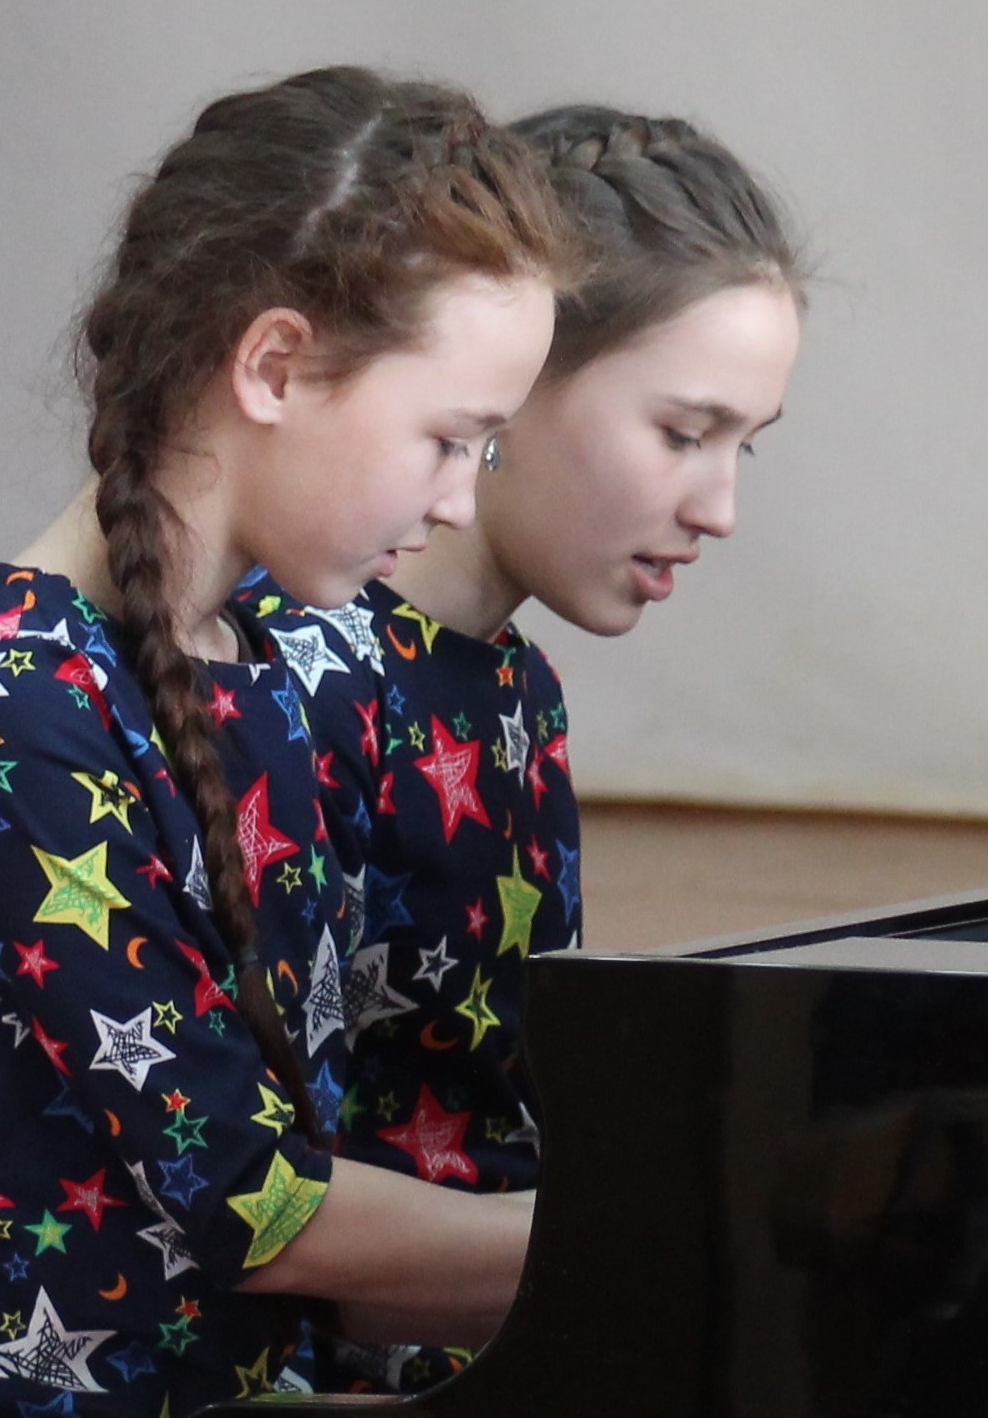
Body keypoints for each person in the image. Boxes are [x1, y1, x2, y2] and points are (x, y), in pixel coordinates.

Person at [0, 68, 579, 1410]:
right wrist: (634, 1239)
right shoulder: (8, 706)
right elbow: (257, 1209)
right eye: (450, 438)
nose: (456, 501)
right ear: (272, 365)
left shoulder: (267, 662)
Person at [276, 107, 805, 1391]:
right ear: (513, 374)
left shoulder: (512, 685)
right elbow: (253, 1201)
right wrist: (674, 1249)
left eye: (743, 445)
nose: (720, 508)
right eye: (683, 433)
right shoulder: (300, 683)